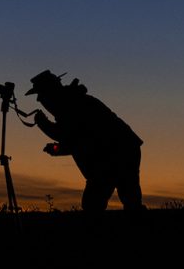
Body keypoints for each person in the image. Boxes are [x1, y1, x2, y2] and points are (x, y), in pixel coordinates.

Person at [26, 69, 144, 212]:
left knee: (98, 202)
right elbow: (78, 140)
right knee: (123, 200)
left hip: (116, 152)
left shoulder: (72, 105)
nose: (39, 99)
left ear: (50, 92)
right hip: (120, 149)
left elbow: (70, 137)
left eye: (40, 94)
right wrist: (57, 149)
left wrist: (43, 123)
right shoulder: (71, 103)